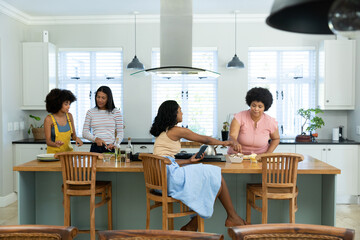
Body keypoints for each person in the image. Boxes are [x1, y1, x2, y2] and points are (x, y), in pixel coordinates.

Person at [150, 100, 247, 231]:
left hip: (162, 179)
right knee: (214, 174)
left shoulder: (163, 131)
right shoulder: (176, 130)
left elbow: (166, 161)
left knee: (214, 176)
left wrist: (188, 161)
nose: (182, 113)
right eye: (180, 110)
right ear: (174, 114)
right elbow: (204, 139)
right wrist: (225, 143)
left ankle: (197, 224)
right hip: (169, 180)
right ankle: (231, 217)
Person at [228, 87, 280, 155]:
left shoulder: (270, 121)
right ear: (250, 104)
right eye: (253, 105)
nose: (256, 109)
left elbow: (276, 139)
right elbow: (232, 136)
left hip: (259, 158)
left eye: (260, 106)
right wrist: (235, 143)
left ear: (265, 107)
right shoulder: (239, 117)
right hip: (237, 156)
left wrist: (267, 154)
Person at [83, 86, 124, 153]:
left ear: (108, 99)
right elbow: (85, 132)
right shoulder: (90, 112)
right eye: (98, 97)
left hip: (111, 147)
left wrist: (115, 144)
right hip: (95, 148)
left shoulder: (116, 112)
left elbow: (120, 132)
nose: (100, 100)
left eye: (103, 98)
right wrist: (96, 139)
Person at [44, 88, 83, 153]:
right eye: (66, 104)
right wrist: (55, 144)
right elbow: (48, 141)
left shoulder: (69, 116)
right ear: (58, 104)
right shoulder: (49, 119)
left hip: (68, 155)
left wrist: (77, 139)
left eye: (69, 104)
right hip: (53, 156)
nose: (68, 106)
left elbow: (73, 136)